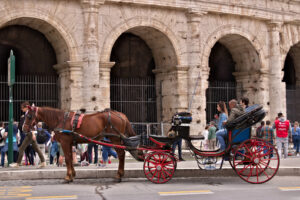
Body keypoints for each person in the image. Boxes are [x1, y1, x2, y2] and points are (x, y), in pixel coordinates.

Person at [9, 102, 46, 168]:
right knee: (36, 148)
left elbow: (31, 124)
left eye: (22, 108)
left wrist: (33, 133)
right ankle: (43, 162)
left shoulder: (29, 113)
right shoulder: (27, 113)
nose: (21, 109)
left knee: (21, 148)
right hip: (30, 133)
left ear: (26, 107)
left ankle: (17, 163)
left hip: (30, 133)